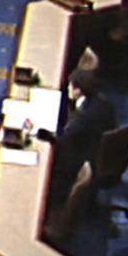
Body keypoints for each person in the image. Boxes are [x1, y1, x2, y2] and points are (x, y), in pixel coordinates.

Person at [49, 69, 115, 201]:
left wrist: (38, 131)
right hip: (98, 146)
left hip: (83, 156)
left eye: (70, 85)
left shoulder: (83, 117)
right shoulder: (101, 101)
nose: (67, 88)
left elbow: (62, 140)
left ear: (78, 91)